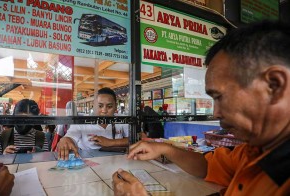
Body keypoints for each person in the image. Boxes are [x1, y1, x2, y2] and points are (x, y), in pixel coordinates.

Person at [112, 21, 290, 196]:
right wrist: (165, 149)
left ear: (274, 85)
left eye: (219, 97)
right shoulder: (254, 151)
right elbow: (207, 167)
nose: (215, 113)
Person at [58, 87, 129, 160]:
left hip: (116, 160)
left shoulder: (122, 120)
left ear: (115, 107)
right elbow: (70, 137)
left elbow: (133, 139)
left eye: (109, 106)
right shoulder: (83, 121)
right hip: (89, 162)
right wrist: (65, 140)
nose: (104, 110)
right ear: (94, 106)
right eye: (100, 106)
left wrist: (111, 142)